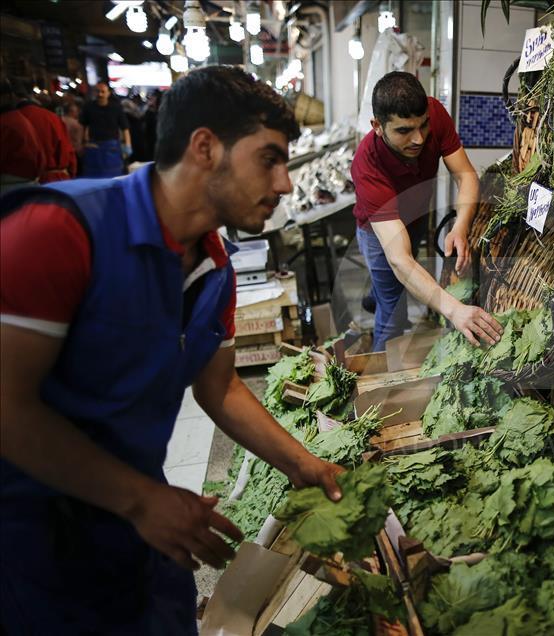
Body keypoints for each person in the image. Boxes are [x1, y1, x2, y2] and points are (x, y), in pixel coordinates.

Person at [0, 65, 343, 633]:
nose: (284, 183)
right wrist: (139, 500)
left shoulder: (214, 269)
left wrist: (302, 462)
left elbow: (220, 385)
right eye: (269, 158)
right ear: (205, 147)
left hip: (140, 528)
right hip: (34, 542)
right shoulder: (60, 233)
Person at [351, 71, 503, 351]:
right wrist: (455, 310)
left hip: (416, 216)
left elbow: (466, 176)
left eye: (422, 126)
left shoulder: (435, 113)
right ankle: (377, 390)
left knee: (390, 285)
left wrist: (460, 225)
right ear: (378, 126)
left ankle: (379, 289)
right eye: (404, 131)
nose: (418, 139)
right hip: (377, 232)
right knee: (394, 314)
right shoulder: (366, 165)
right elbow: (400, 258)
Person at [15, 86, 76, 182]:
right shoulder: (52, 117)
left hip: (24, 184)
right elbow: (68, 150)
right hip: (58, 180)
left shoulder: (10, 120)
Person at [0, 80, 45, 193]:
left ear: (6, 97)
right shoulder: (16, 118)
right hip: (24, 186)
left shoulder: (6, 122)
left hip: (11, 190)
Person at [80, 82, 131, 177]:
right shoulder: (88, 107)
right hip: (93, 146)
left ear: (108, 93)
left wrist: (128, 145)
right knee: (94, 177)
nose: (100, 94)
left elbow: (125, 128)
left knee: (114, 177)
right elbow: (84, 126)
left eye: (103, 92)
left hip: (112, 147)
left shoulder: (116, 107)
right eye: (98, 91)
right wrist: (83, 143)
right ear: (94, 93)